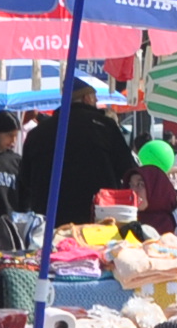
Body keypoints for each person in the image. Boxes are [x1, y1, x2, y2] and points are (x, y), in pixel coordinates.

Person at [11, 79, 133, 229]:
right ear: (87, 98)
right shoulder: (105, 127)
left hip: (51, 222)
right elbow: (128, 170)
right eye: (95, 97)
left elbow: (25, 182)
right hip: (97, 220)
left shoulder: (38, 133)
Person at [132, 137, 177, 233]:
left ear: (156, 190)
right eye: (131, 185)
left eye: (140, 184)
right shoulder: (124, 219)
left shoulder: (168, 226)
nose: (133, 190)